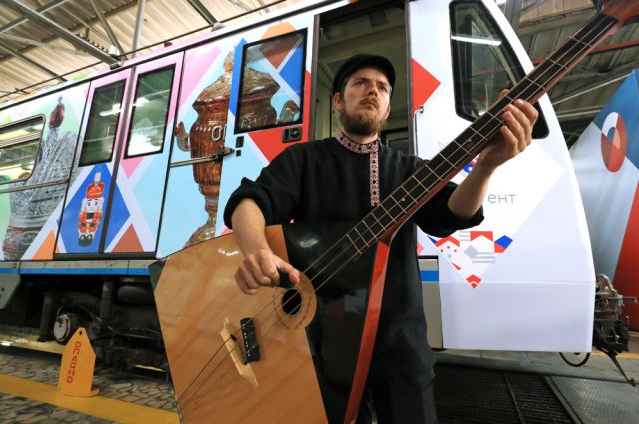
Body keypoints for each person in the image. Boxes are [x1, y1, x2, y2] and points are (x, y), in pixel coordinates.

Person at [223, 54, 538, 424]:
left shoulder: (411, 170)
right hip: (317, 347)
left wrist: (485, 166)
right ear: (339, 100)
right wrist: (256, 249)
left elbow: (451, 213)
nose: (373, 89)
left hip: (399, 344)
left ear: (388, 108)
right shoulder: (304, 159)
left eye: (383, 88)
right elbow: (250, 201)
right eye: (360, 82)